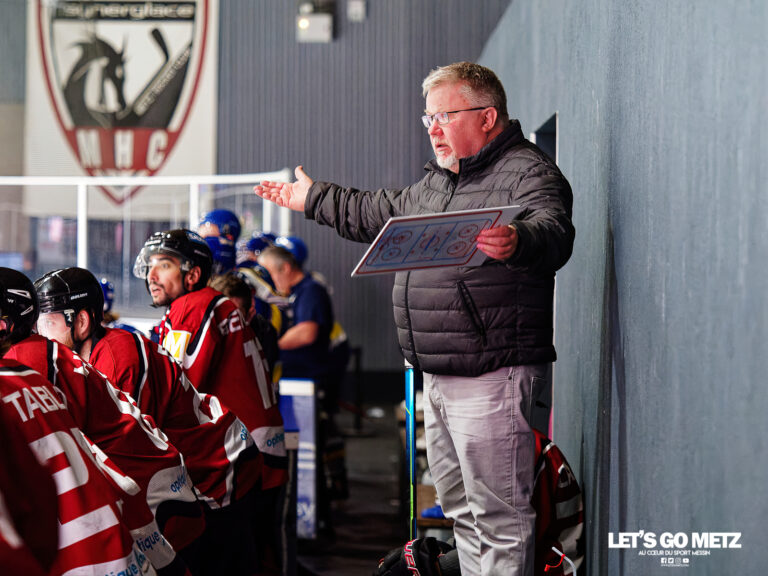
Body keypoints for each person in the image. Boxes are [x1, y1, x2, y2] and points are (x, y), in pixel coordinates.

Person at [255, 61, 575, 576]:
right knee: (461, 513)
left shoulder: (528, 172)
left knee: (500, 519)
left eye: (445, 116)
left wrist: (520, 240)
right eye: (428, 118)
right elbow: (375, 213)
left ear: (487, 117)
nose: (433, 129)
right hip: (439, 373)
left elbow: (553, 229)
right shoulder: (438, 182)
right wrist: (312, 198)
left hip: (493, 372)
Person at [34, 266, 264, 575]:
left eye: (48, 322)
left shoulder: (116, 359)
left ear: (82, 321)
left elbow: (126, 457)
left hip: (219, 467)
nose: (41, 334)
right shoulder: (96, 354)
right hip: (198, 467)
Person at [0, 267, 201, 575]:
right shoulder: (40, 356)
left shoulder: (22, 366)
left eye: (50, 321)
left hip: (142, 499)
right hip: (136, 498)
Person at [133, 229, 289, 574]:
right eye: (150, 265)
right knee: (260, 554)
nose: (151, 275)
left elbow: (173, 387)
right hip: (260, 446)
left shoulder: (194, 306)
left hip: (246, 455)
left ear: (192, 274)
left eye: (164, 265)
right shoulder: (209, 303)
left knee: (240, 560)